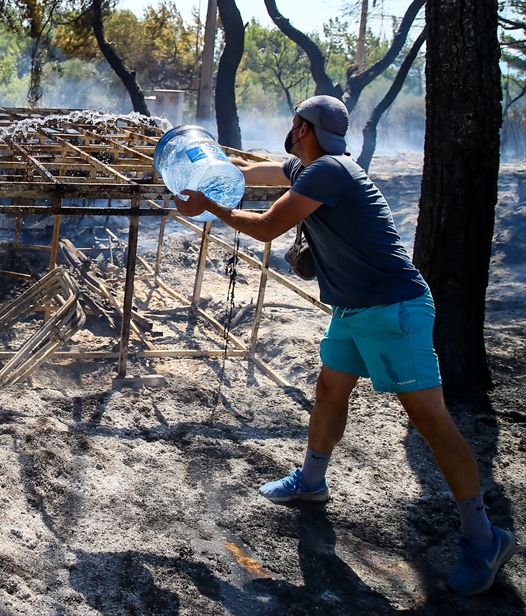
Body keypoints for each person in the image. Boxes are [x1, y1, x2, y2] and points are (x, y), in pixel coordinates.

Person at [174, 95, 516, 596]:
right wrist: (216, 165)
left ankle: (485, 537)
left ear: (302, 127)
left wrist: (211, 207)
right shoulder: (310, 166)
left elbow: (269, 226)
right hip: (355, 309)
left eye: (294, 127)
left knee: (429, 420)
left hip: (391, 308)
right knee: (330, 390)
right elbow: (260, 169)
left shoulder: (330, 171)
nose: (290, 135)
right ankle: (312, 481)